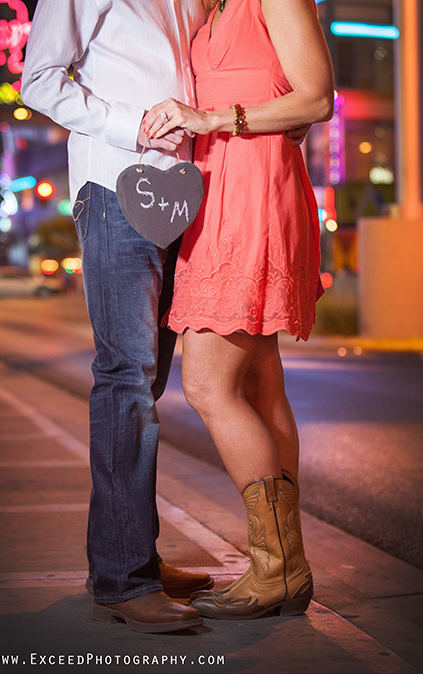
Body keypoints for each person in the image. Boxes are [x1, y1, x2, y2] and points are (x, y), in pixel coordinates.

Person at [20, 0, 213, 633]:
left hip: (179, 195)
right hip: (114, 189)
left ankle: (131, 559)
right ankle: (123, 580)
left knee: (146, 383)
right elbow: (39, 79)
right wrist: (132, 127)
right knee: (127, 379)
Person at [142, 0, 334, 619]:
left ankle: (279, 567)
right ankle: (283, 568)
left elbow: (316, 98)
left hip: (251, 192)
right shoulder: (209, 7)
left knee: (207, 385)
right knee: (258, 384)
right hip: (215, 188)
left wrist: (214, 116)